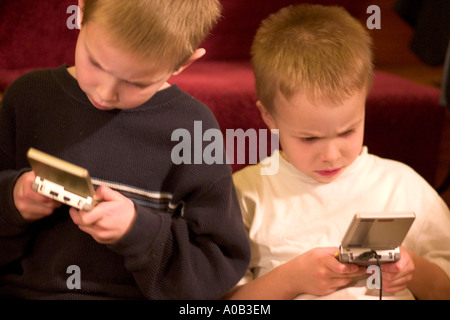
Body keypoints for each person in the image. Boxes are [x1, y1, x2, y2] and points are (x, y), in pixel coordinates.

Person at [0, 0, 250, 299]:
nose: (105, 93)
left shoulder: (194, 130)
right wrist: (10, 202)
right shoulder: (28, 97)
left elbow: (215, 267)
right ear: (81, 11)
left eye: (136, 82)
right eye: (96, 63)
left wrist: (138, 231)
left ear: (183, 64)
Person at [225, 4, 450, 300]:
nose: (332, 154)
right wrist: (292, 279)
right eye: (308, 138)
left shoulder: (404, 187)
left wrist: (414, 269)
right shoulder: (247, 194)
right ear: (269, 119)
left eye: (347, 131)